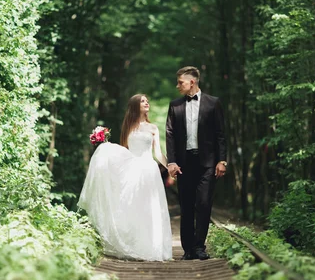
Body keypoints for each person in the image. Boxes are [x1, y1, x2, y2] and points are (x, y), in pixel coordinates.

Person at [78, 94, 173, 261]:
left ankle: (152, 248)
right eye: (143, 101)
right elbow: (125, 150)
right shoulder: (129, 126)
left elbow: (157, 153)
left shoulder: (153, 128)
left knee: (149, 207)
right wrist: (106, 148)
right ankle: (134, 245)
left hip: (149, 170)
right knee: (132, 206)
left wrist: (170, 166)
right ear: (136, 106)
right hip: (132, 168)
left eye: (147, 101)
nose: (147, 103)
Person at [166, 66, 227, 260]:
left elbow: (220, 135)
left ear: (192, 82)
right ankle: (188, 250)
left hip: (207, 162)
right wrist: (172, 162)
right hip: (184, 164)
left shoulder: (213, 103)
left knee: (203, 204)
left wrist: (222, 160)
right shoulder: (175, 105)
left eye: (181, 82)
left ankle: (200, 247)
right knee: (186, 206)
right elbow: (170, 135)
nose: (178, 86)